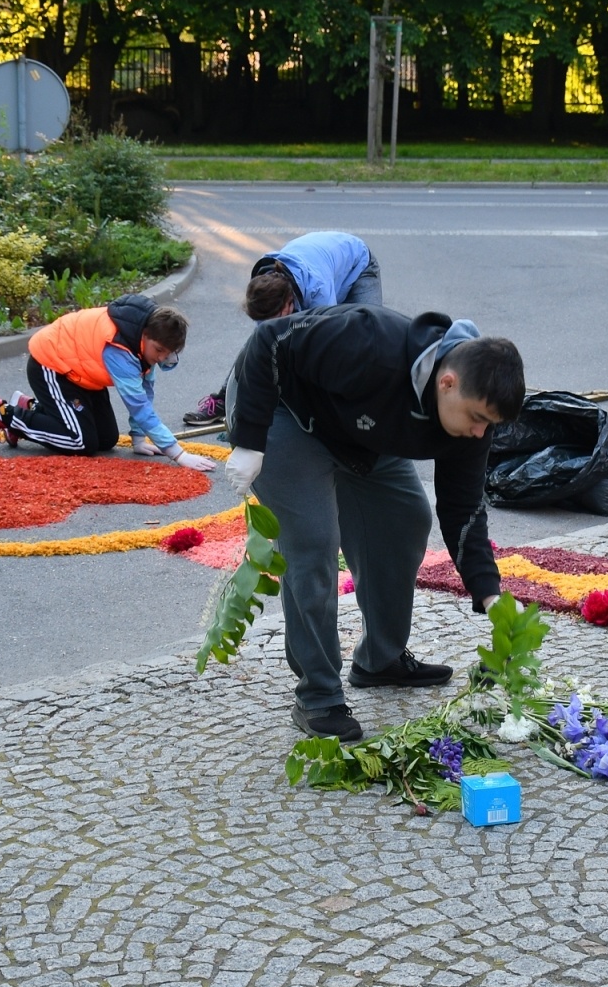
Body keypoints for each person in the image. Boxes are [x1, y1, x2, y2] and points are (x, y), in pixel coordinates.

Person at [224, 303, 525, 742]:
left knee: (406, 519)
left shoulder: (471, 422)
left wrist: (490, 594)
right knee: (312, 542)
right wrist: (249, 439)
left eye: (489, 425)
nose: (481, 434)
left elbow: (463, 510)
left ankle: (380, 659)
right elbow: (271, 338)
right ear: (447, 381)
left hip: (360, 436)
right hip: (282, 412)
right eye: (478, 419)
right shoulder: (370, 344)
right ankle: (318, 696)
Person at [0, 293, 217, 472]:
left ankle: (34, 408)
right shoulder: (120, 350)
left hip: (82, 372)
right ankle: (2, 413)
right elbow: (139, 406)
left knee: (106, 439)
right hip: (52, 364)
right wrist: (178, 454)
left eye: (169, 353)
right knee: (80, 441)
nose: (162, 358)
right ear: (145, 335)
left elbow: (146, 390)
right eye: (159, 350)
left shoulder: (147, 339)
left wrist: (138, 437)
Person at [183, 231, 383, 427]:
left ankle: (367, 406)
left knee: (364, 335)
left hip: (358, 265)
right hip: (320, 260)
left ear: (289, 303)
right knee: (260, 339)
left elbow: (327, 346)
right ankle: (221, 398)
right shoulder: (264, 289)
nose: (271, 323)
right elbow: (263, 346)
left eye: (276, 317)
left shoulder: (318, 291)